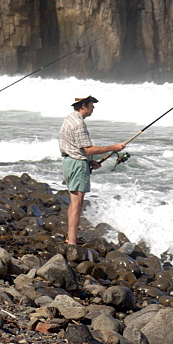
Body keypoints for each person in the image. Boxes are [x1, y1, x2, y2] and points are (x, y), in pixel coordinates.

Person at [58, 94, 126, 244]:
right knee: (77, 204)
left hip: (70, 162)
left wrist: (90, 162)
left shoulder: (69, 118)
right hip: (77, 164)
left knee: (74, 201)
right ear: (83, 106)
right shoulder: (79, 124)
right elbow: (88, 149)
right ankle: (72, 241)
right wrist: (114, 147)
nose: (93, 108)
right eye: (91, 105)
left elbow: (76, 147)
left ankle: (70, 237)